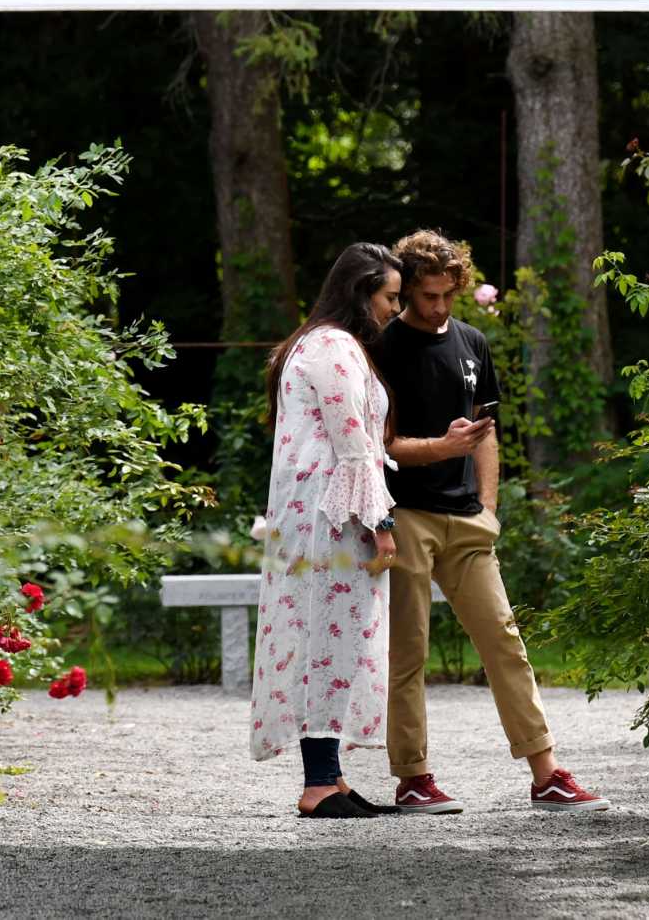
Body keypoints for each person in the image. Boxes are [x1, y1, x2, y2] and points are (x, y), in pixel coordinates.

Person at [376, 229, 609, 814]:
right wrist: (439, 448)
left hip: (466, 522)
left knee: (505, 643)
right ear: (406, 290)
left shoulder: (473, 342)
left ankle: (546, 774)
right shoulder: (381, 349)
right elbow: (380, 445)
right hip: (405, 516)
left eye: (449, 296)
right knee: (408, 653)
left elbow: (484, 432)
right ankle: (412, 778)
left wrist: (489, 507)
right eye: (429, 296)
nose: (439, 308)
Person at [249, 242, 405, 818]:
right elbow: (354, 445)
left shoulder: (316, 345)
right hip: (330, 517)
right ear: (362, 292)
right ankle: (318, 782)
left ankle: (331, 778)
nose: (394, 308)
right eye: (389, 296)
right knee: (326, 639)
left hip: (320, 513)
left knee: (331, 640)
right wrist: (382, 522)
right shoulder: (333, 348)